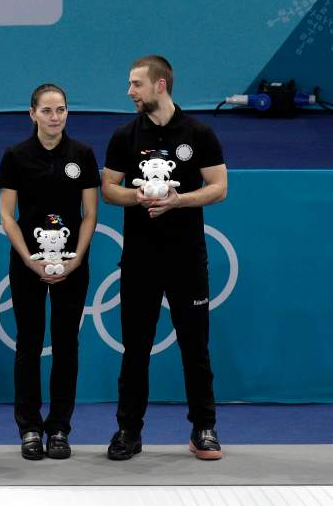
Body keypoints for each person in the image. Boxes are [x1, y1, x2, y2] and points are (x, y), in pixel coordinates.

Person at [102, 55, 228, 462]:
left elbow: (219, 187)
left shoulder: (199, 132)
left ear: (160, 85)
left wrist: (179, 201)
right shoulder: (124, 135)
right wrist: (135, 196)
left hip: (186, 258)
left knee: (196, 346)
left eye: (135, 84)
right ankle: (128, 430)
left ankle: (203, 428)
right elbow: (108, 188)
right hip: (140, 259)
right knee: (135, 348)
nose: (129, 91)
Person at [0, 84, 98, 461]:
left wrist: (75, 260)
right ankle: (28, 428)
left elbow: (90, 215)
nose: (55, 117)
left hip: (73, 263)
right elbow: (7, 214)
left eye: (61, 110)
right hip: (28, 264)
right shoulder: (16, 156)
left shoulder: (82, 155)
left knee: (66, 344)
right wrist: (28, 258)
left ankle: (59, 428)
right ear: (32, 113)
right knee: (29, 343)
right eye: (48, 110)